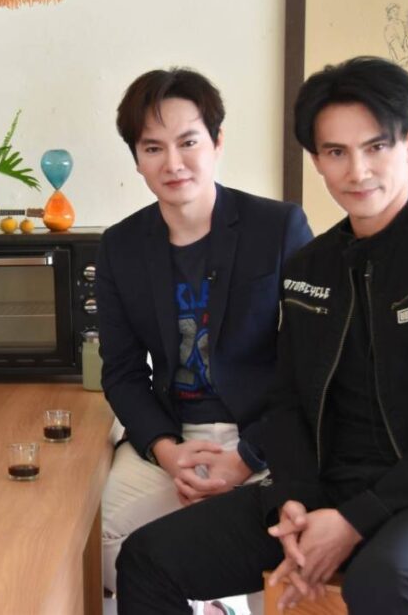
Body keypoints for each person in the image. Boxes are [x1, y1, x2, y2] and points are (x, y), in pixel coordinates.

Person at [115, 56, 408, 614]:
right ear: (317, 159)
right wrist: (296, 501)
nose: (357, 171)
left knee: (385, 583)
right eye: (336, 152)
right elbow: (290, 402)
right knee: (148, 558)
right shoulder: (311, 266)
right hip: (336, 486)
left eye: (376, 147)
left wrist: (353, 520)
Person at [96, 67, 312, 600]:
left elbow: (312, 364)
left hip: (265, 438)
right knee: (101, 538)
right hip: (174, 435)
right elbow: (122, 373)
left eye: (188, 142)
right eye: (153, 148)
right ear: (136, 159)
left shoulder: (278, 228)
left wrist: (249, 457)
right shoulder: (120, 246)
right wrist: (167, 451)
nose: (172, 163)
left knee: (279, 552)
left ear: (216, 142)